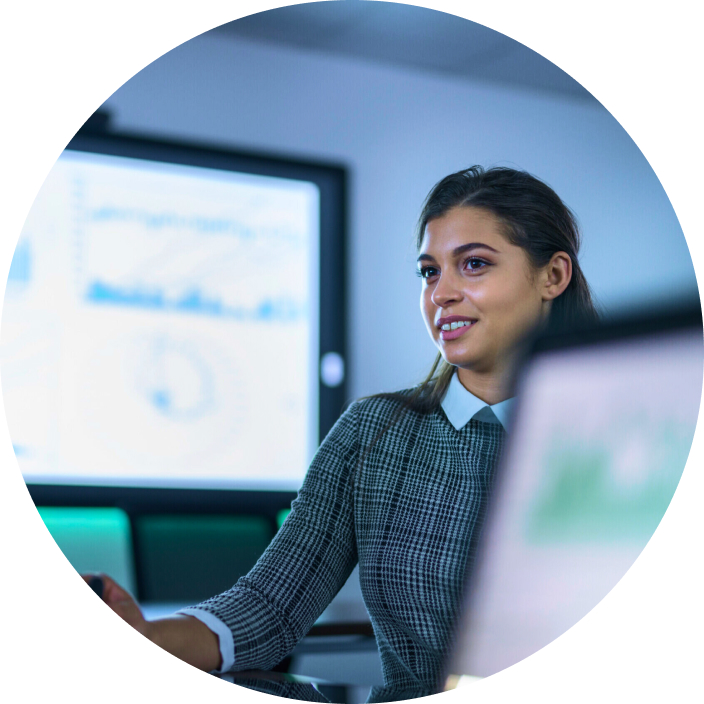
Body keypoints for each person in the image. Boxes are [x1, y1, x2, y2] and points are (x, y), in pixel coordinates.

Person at [84, 166, 598, 701]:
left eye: (473, 265)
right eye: (428, 273)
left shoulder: (618, 437)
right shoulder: (374, 434)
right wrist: (144, 639)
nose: (441, 293)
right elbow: (270, 604)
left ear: (552, 276)